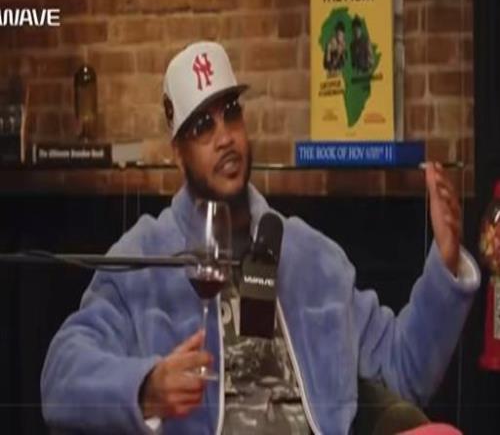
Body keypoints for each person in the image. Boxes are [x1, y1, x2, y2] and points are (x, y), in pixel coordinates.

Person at [41, 41, 480, 434]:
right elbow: (61, 374)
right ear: (178, 154)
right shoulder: (144, 257)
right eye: (202, 126)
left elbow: (404, 370)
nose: (224, 137)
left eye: (231, 112)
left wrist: (444, 262)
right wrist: (146, 387)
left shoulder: (312, 255)